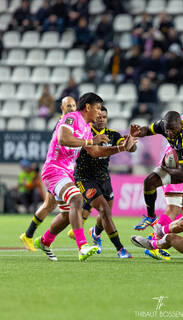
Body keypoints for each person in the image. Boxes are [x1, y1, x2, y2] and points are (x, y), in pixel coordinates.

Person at [33, 92, 109, 262]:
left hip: (67, 173)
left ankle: (44, 241)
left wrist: (120, 148)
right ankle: (82, 247)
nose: (99, 113)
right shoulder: (72, 117)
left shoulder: (88, 128)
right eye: (97, 108)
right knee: (76, 199)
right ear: (87, 107)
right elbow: (63, 138)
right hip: (53, 169)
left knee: (68, 215)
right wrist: (91, 142)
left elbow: (95, 152)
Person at [69, 106, 137, 258]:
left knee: (105, 213)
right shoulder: (85, 133)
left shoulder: (113, 135)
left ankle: (95, 232)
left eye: (104, 117)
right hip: (85, 179)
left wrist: (131, 141)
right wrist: (122, 148)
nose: (101, 119)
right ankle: (120, 249)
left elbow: (131, 148)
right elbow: (96, 152)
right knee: (105, 211)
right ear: (93, 117)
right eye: (99, 116)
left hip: (104, 179)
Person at [132, 111, 183, 231]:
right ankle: (151, 217)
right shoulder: (164, 125)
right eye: (167, 130)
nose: (170, 133)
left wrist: (165, 168)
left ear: (181, 124)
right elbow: (148, 130)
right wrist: (139, 133)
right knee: (149, 182)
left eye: (173, 130)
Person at [144, 99, 183, 260]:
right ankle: (154, 241)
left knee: (180, 213)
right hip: (175, 168)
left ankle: (161, 242)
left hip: (176, 166)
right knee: (173, 209)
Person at [20, 96, 77, 252]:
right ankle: (77, 235)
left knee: (50, 205)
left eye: (73, 106)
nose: (71, 108)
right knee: (59, 205)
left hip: (63, 170)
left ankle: (31, 236)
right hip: (57, 171)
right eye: (68, 106)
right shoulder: (63, 124)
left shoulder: (71, 123)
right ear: (62, 108)